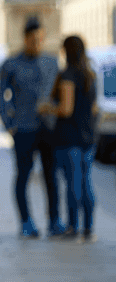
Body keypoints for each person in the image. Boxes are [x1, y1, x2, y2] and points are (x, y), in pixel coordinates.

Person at [0, 18, 61, 237]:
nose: (38, 43)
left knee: (51, 176)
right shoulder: (11, 64)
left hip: (49, 128)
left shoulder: (52, 62)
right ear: (25, 39)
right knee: (23, 176)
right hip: (23, 129)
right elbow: (1, 97)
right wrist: (9, 124)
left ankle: (54, 220)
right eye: (33, 39)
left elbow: (61, 92)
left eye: (41, 39)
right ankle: (26, 222)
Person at [45, 35, 98, 240]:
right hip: (88, 136)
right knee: (86, 182)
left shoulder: (68, 76)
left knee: (73, 184)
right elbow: (93, 108)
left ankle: (73, 226)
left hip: (69, 137)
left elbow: (66, 109)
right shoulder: (90, 75)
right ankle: (89, 228)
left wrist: (48, 108)